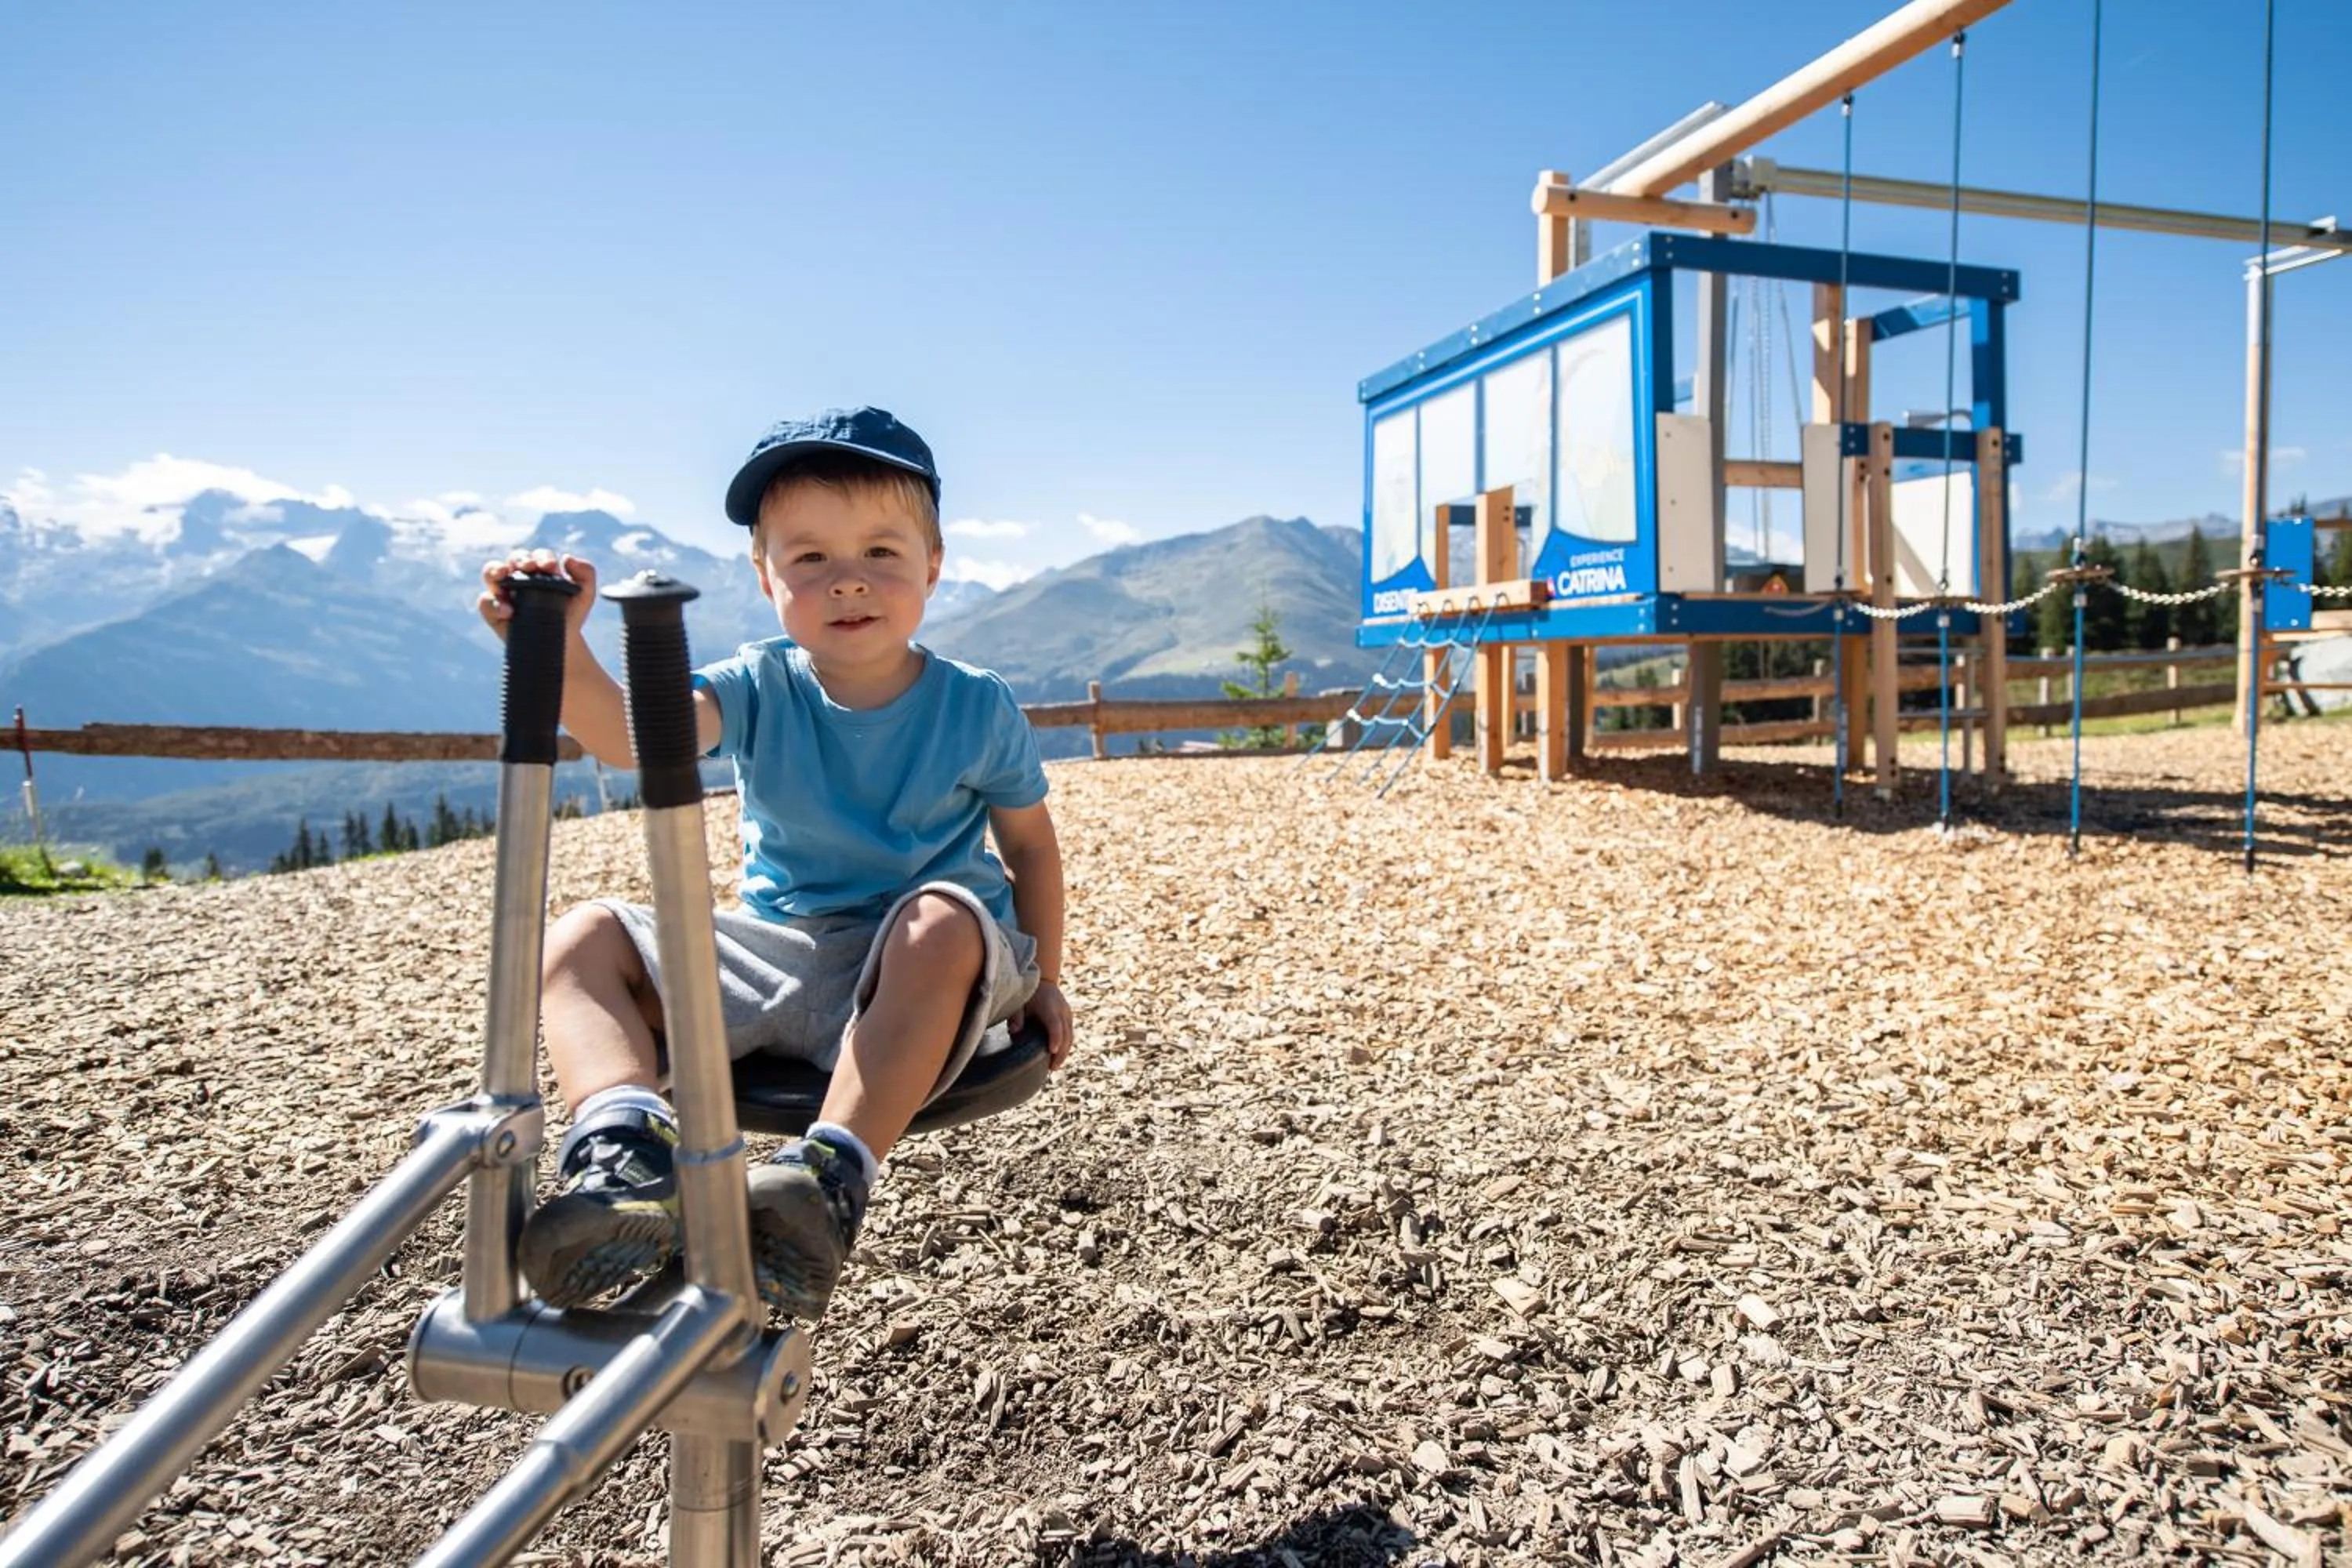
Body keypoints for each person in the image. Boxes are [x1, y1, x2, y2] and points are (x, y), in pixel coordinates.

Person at [474, 405, 1072, 1322]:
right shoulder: (757, 683)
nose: (848, 583)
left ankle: (827, 1179)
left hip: (925, 968)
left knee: (938, 916)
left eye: (881, 552)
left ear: (934, 564)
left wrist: (1048, 978)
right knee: (582, 935)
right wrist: (559, 647)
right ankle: (625, 1149)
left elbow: (1028, 843)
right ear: (765, 576)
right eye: (810, 559)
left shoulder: (975, 705)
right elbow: (635, 734)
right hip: (786, 950)